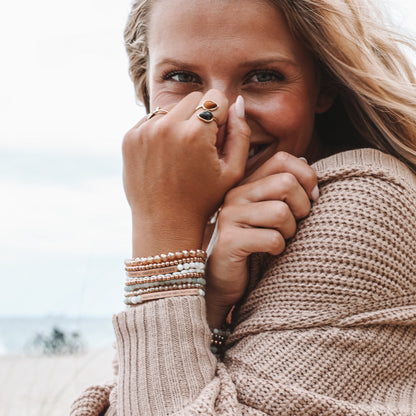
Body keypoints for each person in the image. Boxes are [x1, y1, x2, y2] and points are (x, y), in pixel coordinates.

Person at [71, 0, 416, 414]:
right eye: (182, 77)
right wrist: (212, 302)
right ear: (147, 88)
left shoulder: (364, 207)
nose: (219, 115)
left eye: (263, 77)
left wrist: (159, 232)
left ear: (324, 86)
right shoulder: (235, 218)